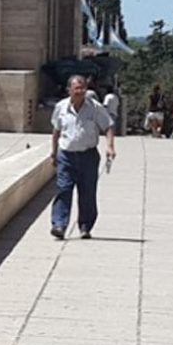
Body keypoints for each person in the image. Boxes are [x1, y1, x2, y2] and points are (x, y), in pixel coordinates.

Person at [50, 74, 118, 240]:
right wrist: (54, 152)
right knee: (63, 189)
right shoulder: (61, 107)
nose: (79, 91)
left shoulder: (94, 107)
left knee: (87, 192)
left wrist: (110, 146)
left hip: (88, 156)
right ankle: (59, 224)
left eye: (82, 88)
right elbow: (56, 131)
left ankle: (85, 226)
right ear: (69, 90)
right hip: (66, 155)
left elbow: (108, 125)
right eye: (76, 88)